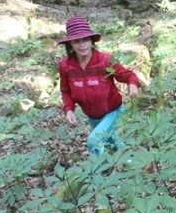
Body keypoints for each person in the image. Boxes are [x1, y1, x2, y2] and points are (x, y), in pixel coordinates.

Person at [58, 16, 140, 156]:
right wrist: (69, 110)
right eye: (77, 41)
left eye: (85, 40)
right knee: (114, 144)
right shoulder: (66, 65)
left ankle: (97, 175)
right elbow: (66, 90)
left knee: (94, 142)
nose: (82, 44)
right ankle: (131, 166)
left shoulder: (105, 60)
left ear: (92, 41)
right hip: (92, 116)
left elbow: (127, 75)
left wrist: (132, 84)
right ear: (70, 44)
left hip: (113, 112)